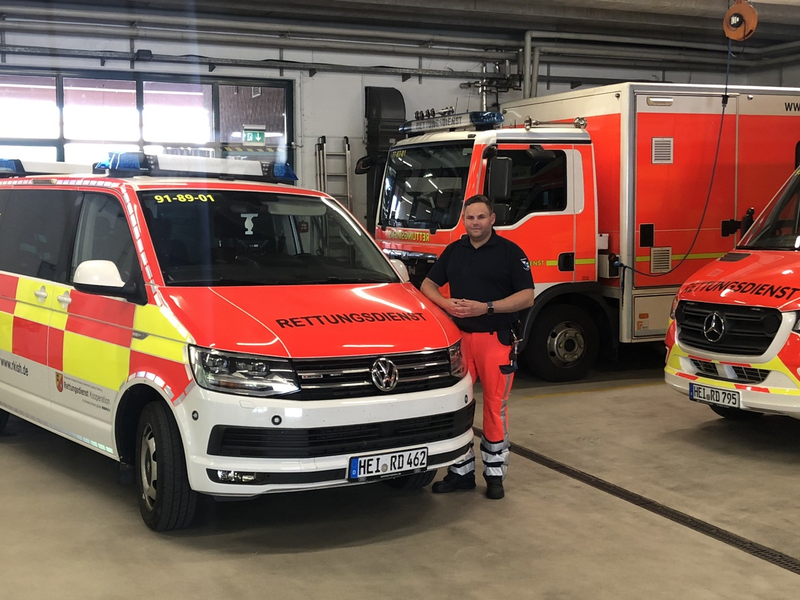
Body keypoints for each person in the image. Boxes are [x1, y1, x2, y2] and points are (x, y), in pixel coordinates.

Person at [421, 194, 535, 500]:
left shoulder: (510, 253)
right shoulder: (454, 250)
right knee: (457, 407)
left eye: (481, 217)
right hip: (460, 342)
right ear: (464, 220)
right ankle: (461, 473)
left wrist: (486, 307)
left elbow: (527, 296)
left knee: (495, 409)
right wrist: (444, 303)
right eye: (470, 217)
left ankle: (495, 475)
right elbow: (427, 285)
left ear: (492, 219)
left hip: (495, 339)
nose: (475, 223)